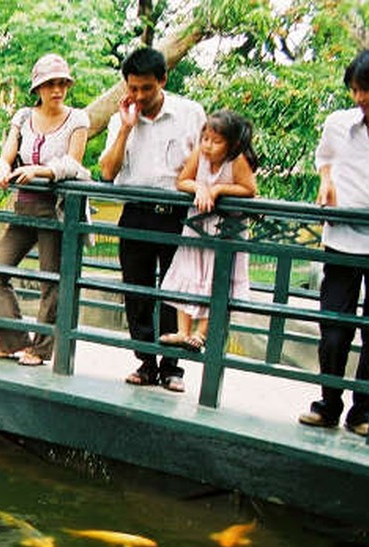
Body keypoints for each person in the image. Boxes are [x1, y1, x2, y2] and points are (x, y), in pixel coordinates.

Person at [299, 47, 369, 437]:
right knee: (333, 328)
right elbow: (325, 159)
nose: (359, 98)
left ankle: (363, 410)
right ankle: (328, 403)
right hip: (341, 240)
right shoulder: (339, 123)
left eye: (366, 89)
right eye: (353, 90)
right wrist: (326, 182)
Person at [99, 47, 205, 393]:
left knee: (175, 292)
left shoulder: (190, 113)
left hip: (178, 215)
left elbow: (206, 162)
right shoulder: (122, 117)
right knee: (137, 290)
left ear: (163, 80)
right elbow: (107, 171)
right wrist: (126, 130)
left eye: (147, 88)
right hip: (137, 212)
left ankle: (172, 366)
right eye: (133, 89)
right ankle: (145, 361)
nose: (139, 96)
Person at [0, 54, 89, 366]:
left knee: (51, 283)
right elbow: (8, 153)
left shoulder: (78, 119)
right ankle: (13, 339)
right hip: (24, 206)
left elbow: (73, 162)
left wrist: (39, 171)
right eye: (49, 84)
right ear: (38, 88)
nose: (56, 90)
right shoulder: (22, 116)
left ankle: (41, 350)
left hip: (54, 210)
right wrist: (2, 168)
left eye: (61, 83)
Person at [158, 110, 258, 351]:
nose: (208, 146)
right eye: (206, 139)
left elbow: (249, 188)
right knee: (189, 272)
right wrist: (200, 187)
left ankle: (201, 333)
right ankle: (183, 330)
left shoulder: (237, 160)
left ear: (232, 144)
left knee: (215, 277)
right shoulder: (199, 155)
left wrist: (218, 189)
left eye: (216, 141)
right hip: (197, 226)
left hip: (223, 230)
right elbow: (182, 180)